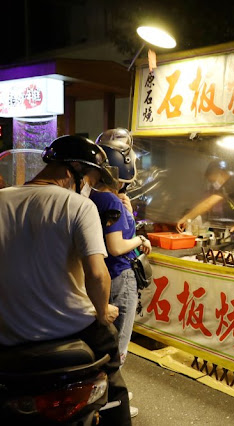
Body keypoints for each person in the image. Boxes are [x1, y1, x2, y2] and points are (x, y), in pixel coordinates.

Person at [0, 135, 132, 425]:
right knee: (114, 384)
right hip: (73, 328)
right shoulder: (78, 206)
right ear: (74, 169)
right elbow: (97, 274)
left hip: (8, 334)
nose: (90, 187)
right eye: (92, 179)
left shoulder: (2, 199)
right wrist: (102, 311)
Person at [92, 128, 151, 418]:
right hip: (119, 275)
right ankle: (109, 399)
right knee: (118, 343)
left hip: (99, 275)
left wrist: (127, 212)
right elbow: (116, 247)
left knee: (102, 339)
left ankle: (108, 391)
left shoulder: (93, 196)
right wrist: (139, 240)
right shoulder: (112, 201)